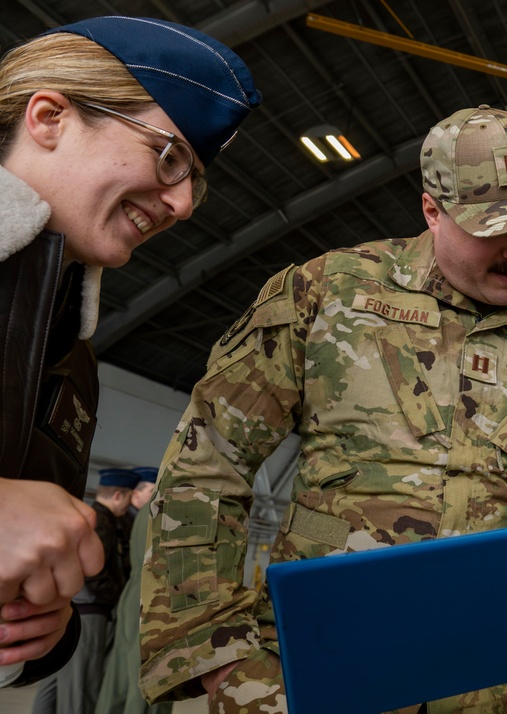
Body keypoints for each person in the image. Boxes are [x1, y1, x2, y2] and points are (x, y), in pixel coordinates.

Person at [139, 105, 507, 713]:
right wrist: (215, 662)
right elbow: (206, 463)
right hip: (315, 677)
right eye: (490, 228)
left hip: (501, 693)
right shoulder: (326, 295)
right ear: (432, 209)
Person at [0, 15, 260, 690]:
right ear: (50, 116)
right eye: (169, 157)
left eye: (193, 182)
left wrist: (45, 633)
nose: (180, 204)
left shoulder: (69, 353)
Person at [32, 468, 137, 713]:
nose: (129, 505)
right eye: (130, 498)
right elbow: (95, 572)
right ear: (119, 495)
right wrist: (119, 598)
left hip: (75, 608)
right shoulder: (101, 520)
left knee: (57, 680)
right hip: (91, 610)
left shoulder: (88, 516)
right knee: (82, 683)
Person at [95, 469, 171, 714]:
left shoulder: (146, 509)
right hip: (156, 598)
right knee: (151, 682)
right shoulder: (171, 505)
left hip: (133, 594)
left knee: (119, 678)